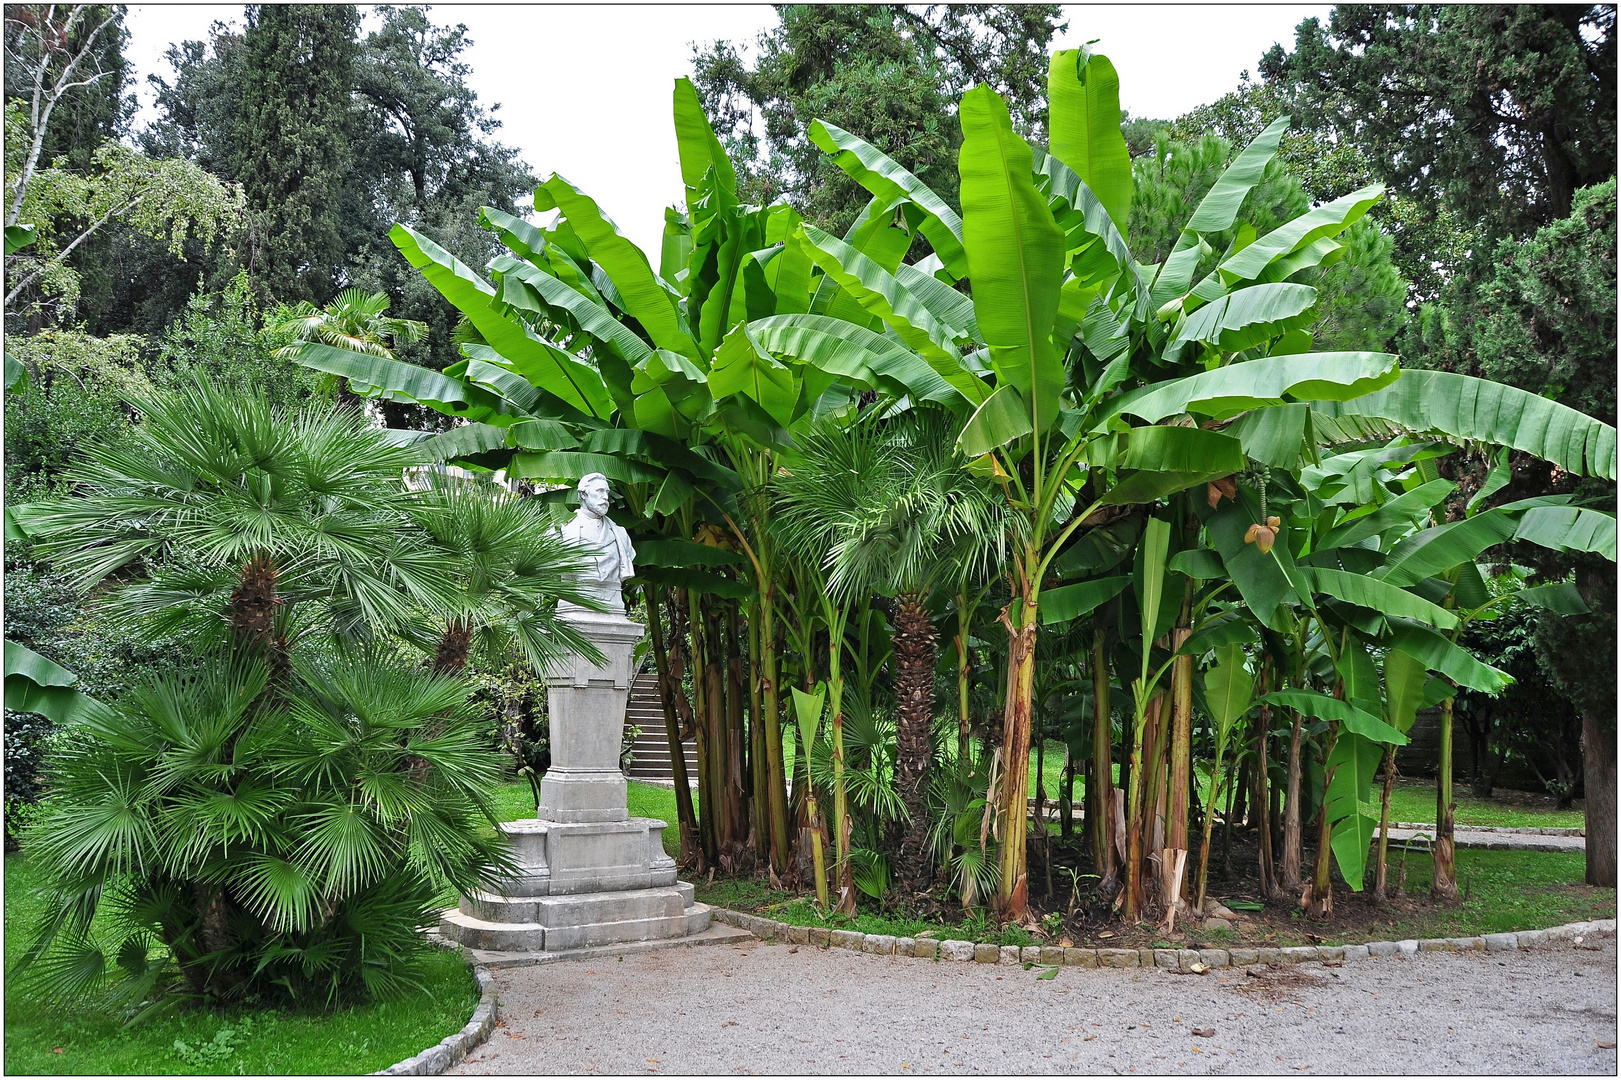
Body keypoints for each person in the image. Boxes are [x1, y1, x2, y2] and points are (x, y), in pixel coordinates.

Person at [557, 472, 636, 614]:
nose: (605, 497)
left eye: (606, 492)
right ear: (583, 495)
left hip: (612, 600)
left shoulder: (621, 534)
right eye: (599, 491)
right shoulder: (564, 530)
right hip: (577, 598)